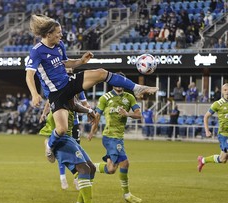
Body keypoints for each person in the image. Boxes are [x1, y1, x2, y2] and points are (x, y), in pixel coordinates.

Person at [25, 14, 158, 162]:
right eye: (58, 32)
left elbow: (66, 63)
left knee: (101, 73)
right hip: (56, 93)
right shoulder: (37, 51)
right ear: (48, 34)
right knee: (61, 129)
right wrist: (35, 94)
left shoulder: (59, 45)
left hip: (68, 82)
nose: (61, 34)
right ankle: (49, 145)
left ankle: (136, 87)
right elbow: (29, 75)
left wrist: (81, 61)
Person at [39, 100, 105, 203]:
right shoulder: (61, 88)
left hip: (69, 137)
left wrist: (89, 110)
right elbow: (60, 102)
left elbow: (73, 105)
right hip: (60, 138)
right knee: (84, 169)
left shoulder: (70, 91)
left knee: (91, 168)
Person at [88, 74, 143, 203]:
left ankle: (89, 167)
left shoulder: (129, 97)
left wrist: (127, 113)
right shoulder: (105, 98)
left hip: (119, 137)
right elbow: (97, 116)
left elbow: (139, 115)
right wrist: (92, 131)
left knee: (111, 169)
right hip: (110, 137)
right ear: (112, 83)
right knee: (125, 163)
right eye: (116, 82)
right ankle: (127, 194)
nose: (118, 85)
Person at [197, 83, 228, 172]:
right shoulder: (217, 104)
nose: (227, 92)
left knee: (222, 159)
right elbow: (206, 116)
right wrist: (207, 131)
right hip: (223, 134)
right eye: (225, 90)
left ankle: (202, 160)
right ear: (222, 92)